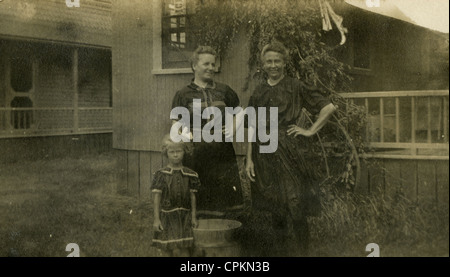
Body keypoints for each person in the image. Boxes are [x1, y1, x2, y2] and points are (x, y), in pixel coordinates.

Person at [245, 41, 337, 256]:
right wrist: (248, 159)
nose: (273, 65)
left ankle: (303, 252)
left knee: (296, 204)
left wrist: (310, 130)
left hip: (290, 151)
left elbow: (328, 107)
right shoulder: (258, 92)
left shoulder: (296, 86)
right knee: (274, 204)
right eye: (269, 61)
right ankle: (281, 252)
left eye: (278, 61)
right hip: (264, 151)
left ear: (285, 63)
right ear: (263, 64)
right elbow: (251, 125)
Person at [171, 46, 244, 218]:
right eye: (206, 64)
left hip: (222, 153)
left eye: (213, 64)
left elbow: (239, 111)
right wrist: (187, 136)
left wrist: (234, 127)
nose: (211, 68)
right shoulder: (183, 94)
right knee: (199, 198)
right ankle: (200, 236)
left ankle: (225, 236)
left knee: (224, 198)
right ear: (194, 65)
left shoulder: (224, 90)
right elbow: (176, 123)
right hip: (196, 154)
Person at [151, 134, 200, 257]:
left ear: (184, 151)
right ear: (166, 153)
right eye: (172, 152)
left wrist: (193, 217)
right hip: (167, 216)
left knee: (184, 249)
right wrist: (156, 220)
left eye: (179, 151)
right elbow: (157, 198)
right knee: (167, 249)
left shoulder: (190, 175)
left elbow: (192, 197)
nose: (175, 155)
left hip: (185, 217)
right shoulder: (161, 175)